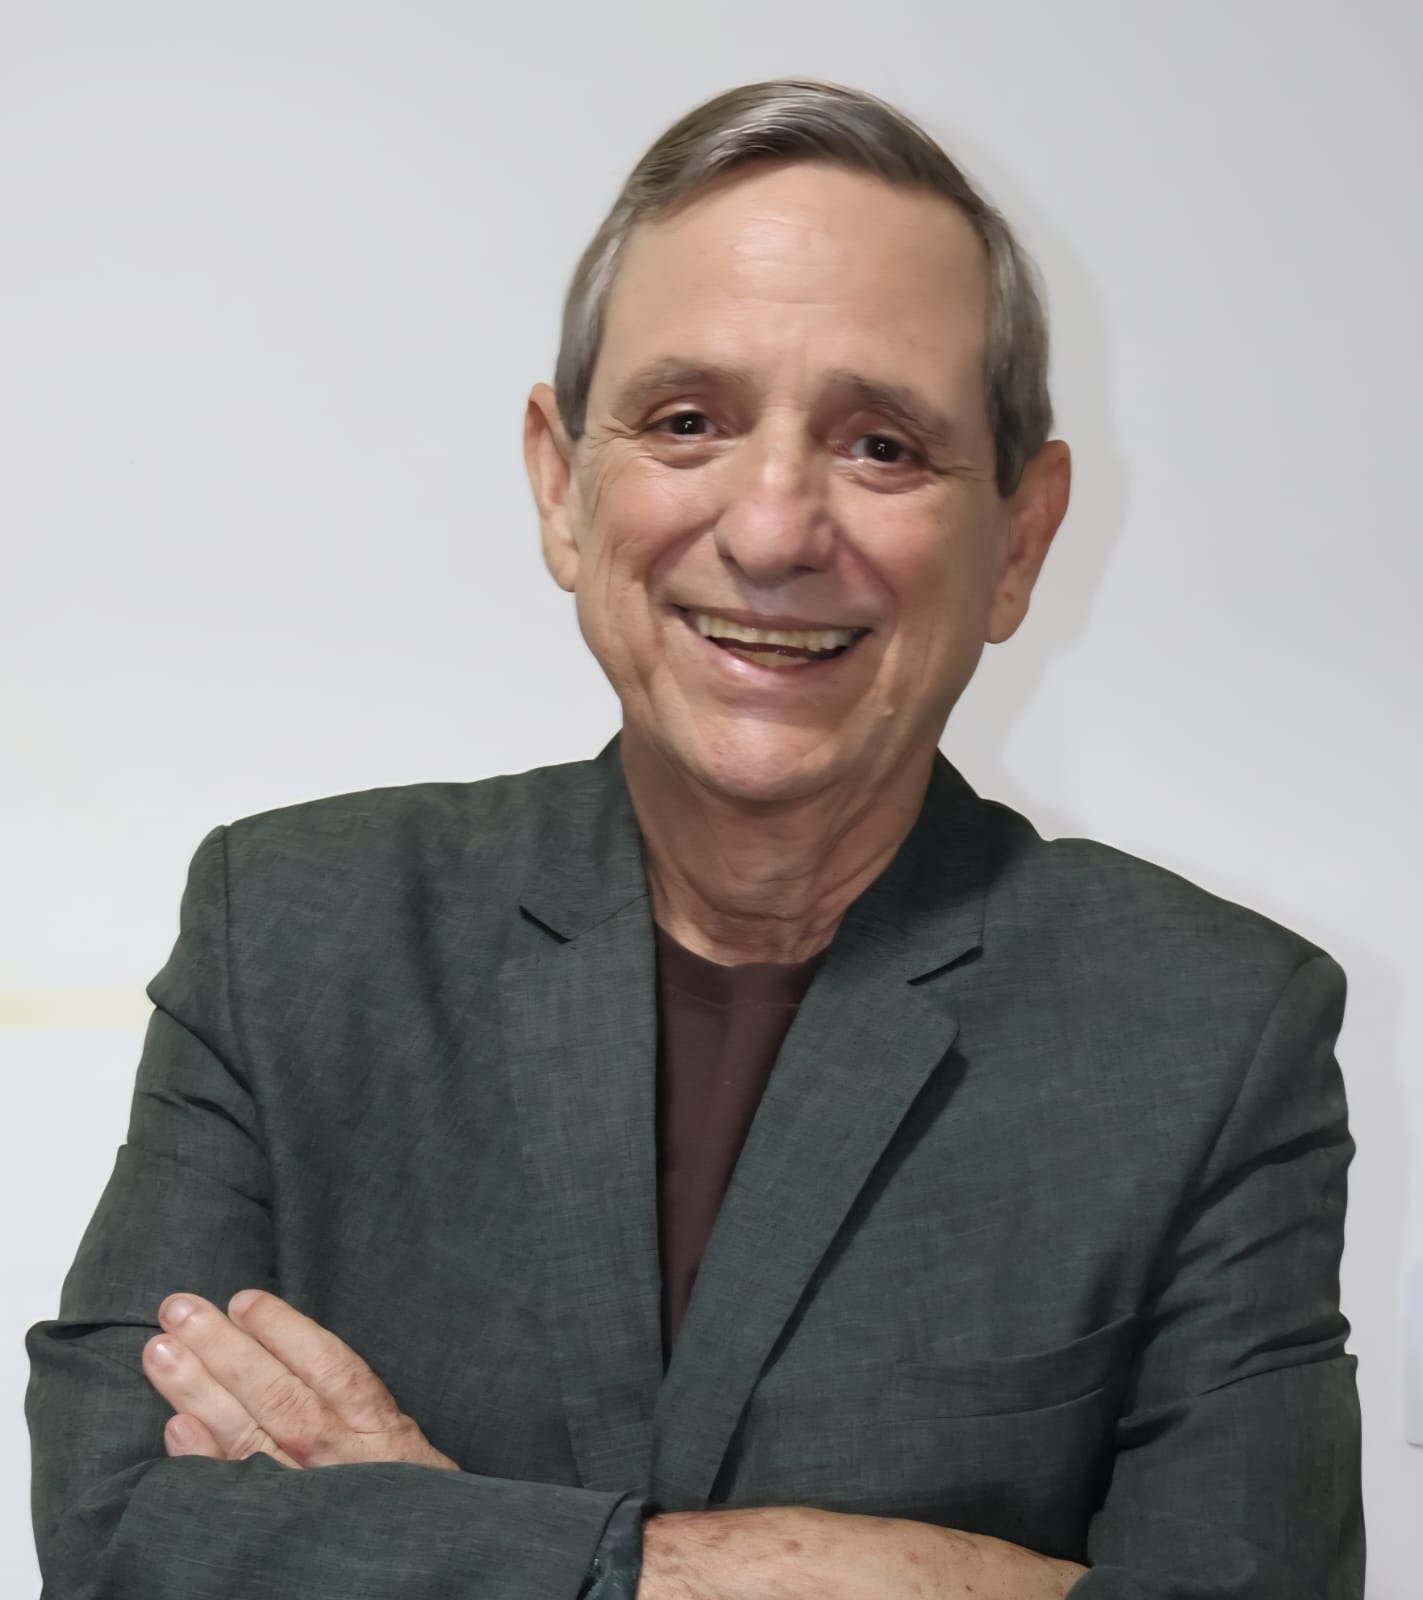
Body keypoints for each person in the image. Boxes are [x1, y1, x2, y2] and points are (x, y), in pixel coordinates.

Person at [25, 78, 1362, 1600]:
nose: (774, 528)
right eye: (686, 423)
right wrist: (866, 1577)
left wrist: (425, 1543)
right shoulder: (293, 932)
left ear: (1021, 539)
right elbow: (117, 1535)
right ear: (561, 485)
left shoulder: (1212, 1034)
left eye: (882, 445)